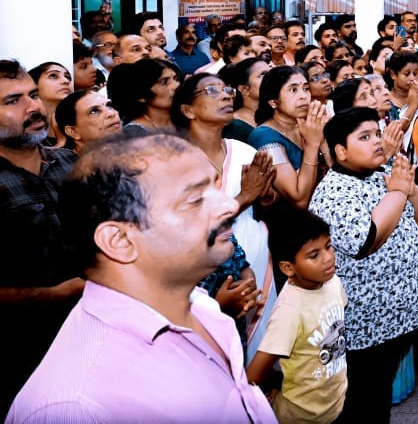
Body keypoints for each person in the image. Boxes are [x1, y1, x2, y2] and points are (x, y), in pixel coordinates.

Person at [8, 133, 274, 423]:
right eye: (196, 199)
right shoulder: (75, 405)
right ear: (119, 239)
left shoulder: (200, 305)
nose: (230, 206)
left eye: (216, 187)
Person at [311, 107, 418, 424]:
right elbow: (366, 241)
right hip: (367, 327)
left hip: (399, 318)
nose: (377, 141)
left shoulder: (380, 175)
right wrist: (398, 192)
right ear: (340, 151)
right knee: (362, 402)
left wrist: (410, 188)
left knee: (377, 396)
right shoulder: (334, 191)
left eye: (377, 133)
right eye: (365, 137)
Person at [172, 73, 278, 353]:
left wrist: (265, 195)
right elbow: (192, 223)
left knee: (261, 347)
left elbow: (266, 204)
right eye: (211, 91)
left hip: (253, 256)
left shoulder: (242, 150)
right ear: (187, 110)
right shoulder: (175, 160)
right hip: (206, 267)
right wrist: (246, 195)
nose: (226, 95)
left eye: (226, 89)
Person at [0, 60, 84, 411]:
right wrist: (53, 295)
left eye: (33, 95)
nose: (33, 107)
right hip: (18, 358)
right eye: (12, 101)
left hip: (91, 341)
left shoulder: (73, 164)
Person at [246, 209, 348, 424]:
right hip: (301, 416)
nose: (328, 257)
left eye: (328, 246)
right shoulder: (289, 310)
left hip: (334, 403)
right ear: (288, 267)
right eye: (314, 255)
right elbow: (254, 375)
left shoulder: (333, 282)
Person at [248, 65, 330, 211]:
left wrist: (322, 139)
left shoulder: (308, 125)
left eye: (306, 89)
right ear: (273, 101)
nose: (303, 96)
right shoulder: (264, 136)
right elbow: (299, 199)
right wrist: (312, 145)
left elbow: (334, 172)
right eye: (293, 90)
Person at [106, 58, 182, 132]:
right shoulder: (134, 133)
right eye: (164, 82)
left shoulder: (183, 120)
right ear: (142, 96)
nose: (176, 85)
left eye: (175, 79)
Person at [219, 56, 271, 143]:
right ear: (245, 89)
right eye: (263, 75)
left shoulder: (277, 115)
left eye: (271, 73)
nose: (272, 78)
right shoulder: (234, 128)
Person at [54, 89, 122, 154]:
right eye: (94, 111)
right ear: (73, 132)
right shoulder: (61, 165)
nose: (111, 113)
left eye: (110, 106)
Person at [28, 61, 73, 143]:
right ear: (34, 86)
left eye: (67, 77)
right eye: (53, 76)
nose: (66, 81)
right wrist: (61, 143)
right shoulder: (25, 135)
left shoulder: (80, 126)